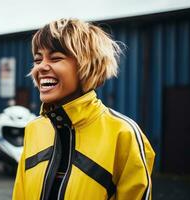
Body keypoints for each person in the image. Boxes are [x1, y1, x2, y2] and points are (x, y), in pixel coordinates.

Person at [12, 18, 155, 200]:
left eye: (56, 58)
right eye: (37, 59)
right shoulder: (34, 129)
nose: (41, 67)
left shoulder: (124, 134)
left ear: (86, 65)